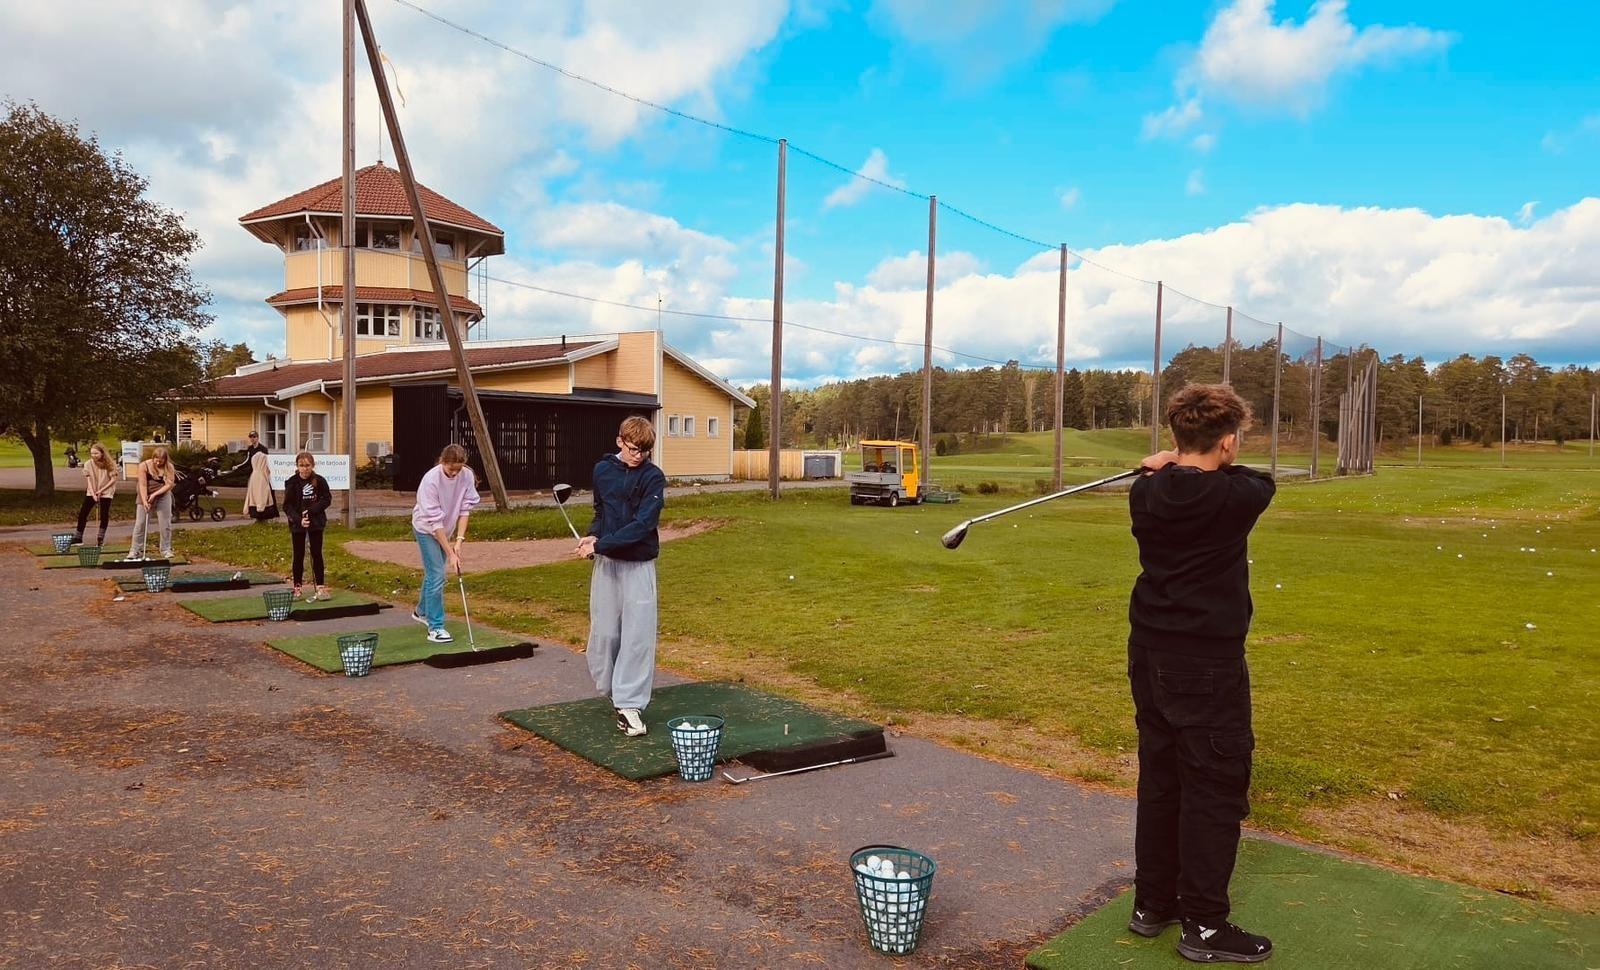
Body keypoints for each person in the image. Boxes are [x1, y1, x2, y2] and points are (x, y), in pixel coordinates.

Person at [1124, 383, 1277, 964]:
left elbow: (1185, 479)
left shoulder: (1145, 491)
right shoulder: (1239, 495)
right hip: (1207, 664)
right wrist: (1179, 463)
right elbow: (1257, 479)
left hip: (1148, 654)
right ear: (1229, 442)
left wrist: (1166, 466)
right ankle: (1205, 925)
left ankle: (1153, 904)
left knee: (1162, 780)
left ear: (1175, 435)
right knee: (1213, 789)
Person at [575, 415, 665, 738]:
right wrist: (592, 535)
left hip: (638, 564)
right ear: (619, 442)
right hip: (608, 564)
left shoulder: (653, 477)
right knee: (605, 634)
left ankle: (630, 703)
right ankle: (615, 692)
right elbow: (601, 512)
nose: (638, 456)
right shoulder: (603, 470)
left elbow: (643, 524)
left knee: (637, 636)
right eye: (632, 449)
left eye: (644, 451)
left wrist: (600, 544)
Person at [410, 443, 479, 644]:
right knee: (437, 575)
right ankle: (436, 627)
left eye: (458, 469)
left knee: (435, 573)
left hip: (445, 529)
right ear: (442, 462)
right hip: (426, 528)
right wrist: (450, 553)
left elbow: (465, 510)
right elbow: (435, 523)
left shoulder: (466, 475)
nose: (454, 473)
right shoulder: (430, 480)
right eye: (451, 469)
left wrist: (459, 542)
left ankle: (421, 611)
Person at [282, 451, 332, 601]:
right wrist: (299, 520)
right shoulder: (292, 482)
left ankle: (320, 587)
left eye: (307, 465)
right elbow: (287, 506)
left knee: (317, 553)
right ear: (297, 466)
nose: (305, 469)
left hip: (316, 523)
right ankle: (297, 587)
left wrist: (311, 511)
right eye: (302, 465)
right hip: (298, 524)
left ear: (313, 465)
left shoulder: (320, 481)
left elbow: (326, 499)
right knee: (298, 555)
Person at [128, 446, 177, 561]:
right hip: (144, 494)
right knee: (140, 523)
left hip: (163, 495)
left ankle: (166, 549)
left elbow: (169, 485)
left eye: (161, 461)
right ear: (153, 457)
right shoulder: (144, 466)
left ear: (165, 460)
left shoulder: (169, 467)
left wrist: (154, 495)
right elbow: (142, 485)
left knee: (165, 524)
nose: (158, 463)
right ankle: (135, 550)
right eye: (156, 460)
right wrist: (145, 501)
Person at [73, 442, 118, 547]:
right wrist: (93, 493)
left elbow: (113, 480)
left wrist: (101, 490)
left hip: (106, 491)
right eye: (92, 453)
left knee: (104, 514)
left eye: (96, 453)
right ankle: (78, 538)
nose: (94, 456)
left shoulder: (110, 464)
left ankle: (100, 538)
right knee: (83, 513)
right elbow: (88, 480)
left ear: (102, 453)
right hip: (92, 491)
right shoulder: (88, 464)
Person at [243, 450, 277, 520]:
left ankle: (254, 510)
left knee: (253, 495)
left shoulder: (254, 459)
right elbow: (262, 494)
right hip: (261, 477)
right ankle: (261, 511)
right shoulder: (264, 459)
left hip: (254, 477)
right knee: (261, 494)